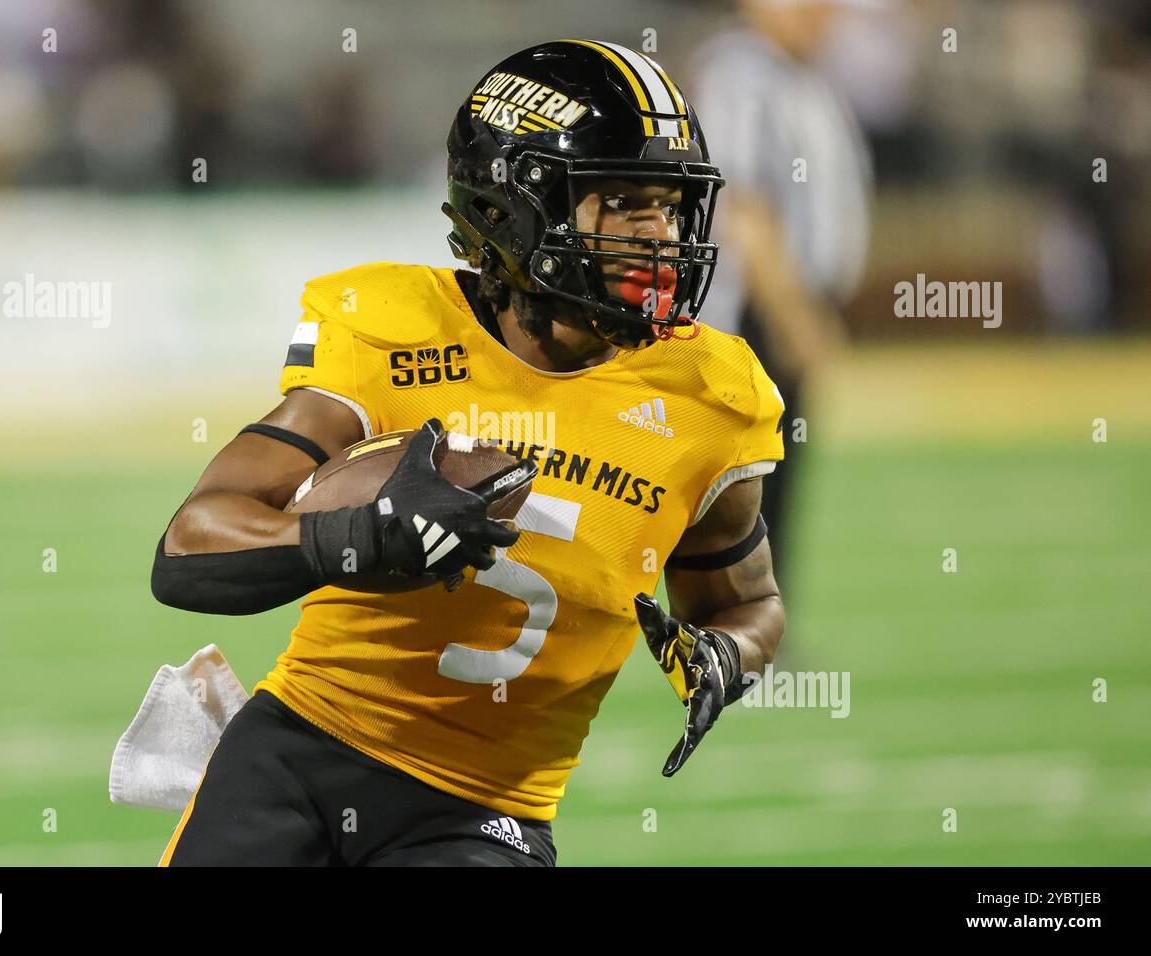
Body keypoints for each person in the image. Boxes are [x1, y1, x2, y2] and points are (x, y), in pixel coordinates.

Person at [149, 39, 785, 867]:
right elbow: (187, 546)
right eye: (622, 201)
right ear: (514, 206)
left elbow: (749, 602)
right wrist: (358, 540)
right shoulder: (394, 332)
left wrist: (727, 655)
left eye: (668, 205)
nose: (658, 233)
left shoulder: (710, 395)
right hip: (298, 756)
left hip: (486, 816)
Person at [689, 0, 873, 578]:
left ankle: (763, 630)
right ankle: (734, 634)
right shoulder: (742, 74)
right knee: (750, 486)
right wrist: (795, 315)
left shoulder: (807, 78)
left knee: (780, 483)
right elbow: (743, 205)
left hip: (790, 303)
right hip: (755, 312)